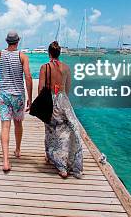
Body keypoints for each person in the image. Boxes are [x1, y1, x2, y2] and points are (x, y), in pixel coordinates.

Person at [0, 31, 33, 172]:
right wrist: (30, 98)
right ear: (18, 41)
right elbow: (28, 77)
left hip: (4, 95)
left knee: (5, 127)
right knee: (18, 123)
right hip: (18, 95)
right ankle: (18, 150)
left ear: (6, 41)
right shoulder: (23, 56)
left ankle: (6, 161)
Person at [39, 41, 84, 178]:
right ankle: (65, 163)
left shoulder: (44, 67)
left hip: (49, 101)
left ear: (49, 53)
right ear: (59, 53)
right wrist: (62, 100)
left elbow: (41, 88)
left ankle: (53, 160)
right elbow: (68, 87)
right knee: (64, 132)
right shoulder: (66, 68)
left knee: (50, 130)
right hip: (63, 101)